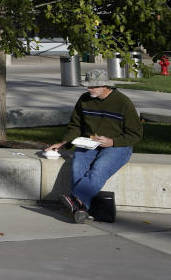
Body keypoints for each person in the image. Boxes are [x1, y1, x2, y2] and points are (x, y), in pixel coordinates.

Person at [46, 69, 142, 224]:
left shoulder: (123, 102)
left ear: (105, 86)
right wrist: (65, 143)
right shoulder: (84, 99)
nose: (88, 89)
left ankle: (74, 199)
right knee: (78, 168)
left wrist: (112, 142)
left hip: (118, 146)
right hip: (88, 143)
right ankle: (81, 210)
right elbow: (75, 126)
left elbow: (136, 134)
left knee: (99, 169)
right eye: (87, 86)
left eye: (92, 87)